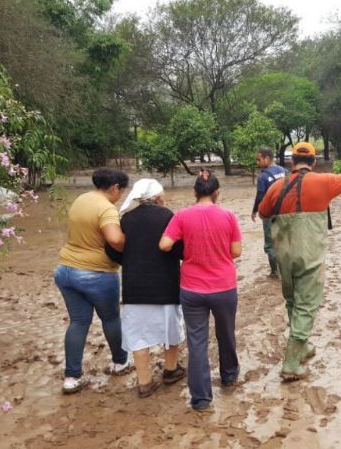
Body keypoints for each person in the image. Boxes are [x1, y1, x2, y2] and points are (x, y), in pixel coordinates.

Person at [257, 142, 341, 381]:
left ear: (291, 162)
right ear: (314, 162)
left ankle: (302, 346)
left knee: (292, 301)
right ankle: (291, 363)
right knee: (307, 304)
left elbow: (263, 213)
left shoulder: (276, 187)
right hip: (310, 255)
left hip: (284, 257)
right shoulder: (325, 182)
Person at [159, 169, 242, 411]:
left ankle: (201, 398)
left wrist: (188, 250)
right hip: (224, 287)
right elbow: (236, 252)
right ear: (217, 193)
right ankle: (229, 375)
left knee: (196, 341)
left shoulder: (182, 216)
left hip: (191, 288)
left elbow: (164, 245)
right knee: (226, 333)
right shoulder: (228, 215)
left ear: (194, 192)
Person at [105, 179, 186, 398]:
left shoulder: (126, 219)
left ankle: (144, 383)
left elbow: (112, 250)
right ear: (157, 197)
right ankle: (171, 370)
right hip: (166, 285)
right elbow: (180, 249)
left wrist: (131, 260)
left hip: (135, 287)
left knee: (139, 335)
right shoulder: (167, 216)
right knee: (170, 330)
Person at [54, 168, 131, 394]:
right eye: (121, 191)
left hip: (65, 269)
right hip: (96, 273)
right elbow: (115, 239)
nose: (120, 196)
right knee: (111, 318)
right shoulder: (106, 208)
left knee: (78, 322)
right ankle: (120, 362)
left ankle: (72, 377)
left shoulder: (81, 199)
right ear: (115, 188)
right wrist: (129, 240)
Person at [250, 147, 287, 278]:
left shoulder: (263, 176)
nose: (257, 162)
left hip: (269, 214)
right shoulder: (284, 171)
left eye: (259, 159)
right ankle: (286, 270)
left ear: (267, 158)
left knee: (270, 244)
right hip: (285, 213)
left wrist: (254, 211)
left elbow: (260, 196)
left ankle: (275, 272)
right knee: (284, 241)